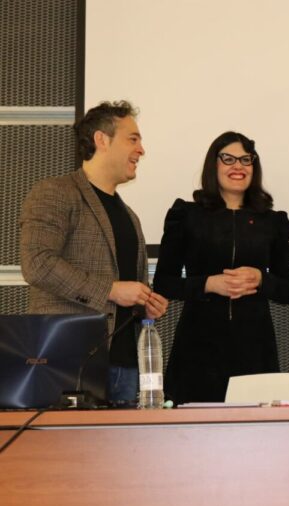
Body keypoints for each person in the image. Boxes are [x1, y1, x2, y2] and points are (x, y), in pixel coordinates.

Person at [20, 100, 169, 405]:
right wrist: (111, 290)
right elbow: (37, 263)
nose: (141, 150)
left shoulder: (130, 215)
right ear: (102, 140)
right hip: (69, 361)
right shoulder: (55, 192)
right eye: (133, 139)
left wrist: (145, 302)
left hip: (127, 367)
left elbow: (126, 288)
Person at [153, 131, 289, 403]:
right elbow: (163, 283)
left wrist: (260, 279)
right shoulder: (187, 215)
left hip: (254, 348)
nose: (238, 167)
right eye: (228, 159)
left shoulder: (272, 221)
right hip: (198, 347)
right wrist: (207, 284)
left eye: (246, 160)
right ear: (213, 164)